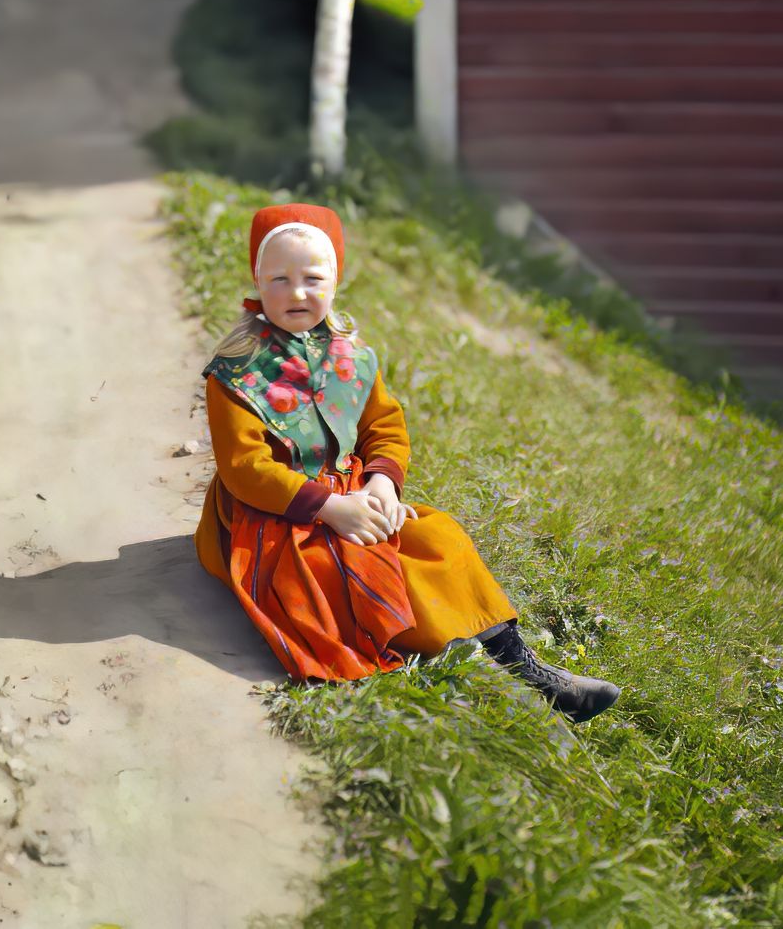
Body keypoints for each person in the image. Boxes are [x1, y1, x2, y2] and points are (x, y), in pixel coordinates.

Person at [193, 201, 620, 723]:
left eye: (312, 277)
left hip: (350, 490)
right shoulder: (235, 373)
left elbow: (383, 427)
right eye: (279, 278)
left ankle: (524, 665)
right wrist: (330, 508)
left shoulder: (348, 356)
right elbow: (244, 469)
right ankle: (483, 678)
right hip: (272, 509)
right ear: (257, 280)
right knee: (342, 569)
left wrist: (380, 485)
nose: (297, 292)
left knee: (437, 539)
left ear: (335, 280)